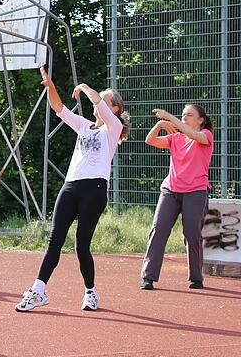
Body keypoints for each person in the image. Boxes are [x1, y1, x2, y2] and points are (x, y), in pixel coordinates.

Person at [15, 65, 130, 312]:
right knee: (55, 239)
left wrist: (87, 88)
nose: (96, 103)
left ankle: (90, 292)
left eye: (106, 102)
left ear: (115, 110)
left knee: (81, 245)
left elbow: (98, 102)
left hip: (95, 188)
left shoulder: (113, 129)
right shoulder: (84, 125)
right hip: (71, 186)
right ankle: (38, 291)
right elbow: (59, 108)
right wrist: (51, 87)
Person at [140, 104, 213, 290]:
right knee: (158, 229)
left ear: (200, 120)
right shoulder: (175, 138)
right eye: (183, 115)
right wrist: (159, 125)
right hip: (170, 190)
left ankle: (196, 277)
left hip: (196, 191)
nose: (184, 118)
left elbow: (194, 135)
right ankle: (148, 276)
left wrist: (169, 117)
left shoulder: (205, 136)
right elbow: (150, 140)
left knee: (191, 233)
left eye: (189, 115)